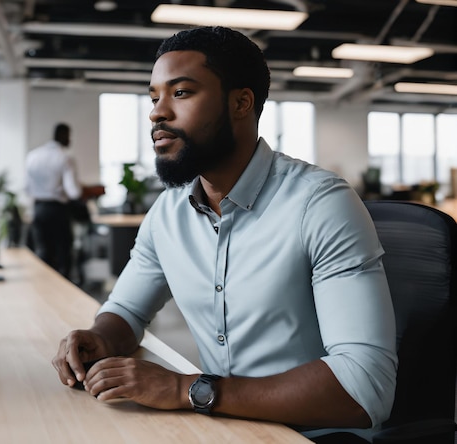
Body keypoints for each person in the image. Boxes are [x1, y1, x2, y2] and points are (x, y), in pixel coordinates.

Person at [52, 27, 397, 442]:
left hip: (315, 435)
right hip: (225, 428)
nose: (157, 112)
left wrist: (185, 389)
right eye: (154, 96)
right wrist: (99, 339)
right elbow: (126, 310)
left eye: (180, 93)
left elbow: (365, 388)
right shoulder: (170, 211)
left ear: (240, 102)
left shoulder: (320, 204)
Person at [25, 123, 82, 279]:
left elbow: (27, 188)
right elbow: (74, 192)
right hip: (58, 210)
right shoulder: (64, 157)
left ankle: (45, 289)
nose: (70, 140)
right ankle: (65, 291)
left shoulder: (32, 156)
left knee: (43, 251)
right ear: (63, 135)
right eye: (69, 136)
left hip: (38, 209)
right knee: (63, 253)